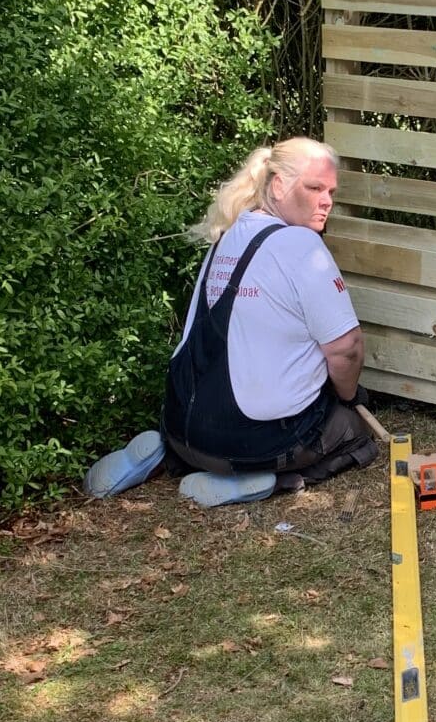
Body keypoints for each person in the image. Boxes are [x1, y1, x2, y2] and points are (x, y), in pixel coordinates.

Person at [84, 138, 377, 506]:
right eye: (315, 188)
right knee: (353, 432)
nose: (327, 201)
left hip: (183, 427)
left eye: (331, 191)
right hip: (251, 442)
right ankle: (266, 481)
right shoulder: (301, 245)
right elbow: (346, 349)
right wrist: (349, 397)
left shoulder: (229, 232)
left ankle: (166, 455)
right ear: (278, 185)